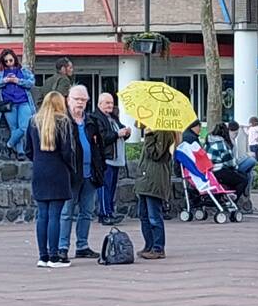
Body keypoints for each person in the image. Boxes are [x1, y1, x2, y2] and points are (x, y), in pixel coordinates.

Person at [24, 91, 74, 268]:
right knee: (55, 215)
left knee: (42, 215)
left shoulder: (33, 122)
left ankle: (42, 256)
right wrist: (70, 168)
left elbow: (27, 149)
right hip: (58, 170)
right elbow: (67, 151)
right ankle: (54, 256)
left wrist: (38, 160)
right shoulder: (63, 122)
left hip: (40, 170)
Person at [58, 85, 104, 262]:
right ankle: (62, 247)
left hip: (90, 174)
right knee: (66, 212)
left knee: (87, 212)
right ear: (68, 99)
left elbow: (98, 146)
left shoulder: (91, 121)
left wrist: (100, 167)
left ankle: (82, 246)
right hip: (70, 174)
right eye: (77, 99)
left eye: (84, 100)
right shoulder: (62, 121)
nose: (80, 103)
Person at [135, 127, 176, 260]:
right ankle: (149, 245)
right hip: (146, 177)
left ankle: (158, 247)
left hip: (155, 178)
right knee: (144, 215)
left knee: (154, 216)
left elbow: (156, 154)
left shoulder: (163, 131)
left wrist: (149, 136)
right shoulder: (154, 130)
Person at [91, 92, 130, 226]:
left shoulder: (113, 118)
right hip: (105, 158)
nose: (110, 106)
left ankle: (110, 211)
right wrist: (117, 134)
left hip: (116, 159)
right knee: (104, 188)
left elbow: (118, 134)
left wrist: (126, 133)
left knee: (112, 187)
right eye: (107, 103)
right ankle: (104, 214)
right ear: (100, 104)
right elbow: (103, 138)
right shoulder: (96, 118)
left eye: (112, 103)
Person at [0, 48, 36, 160]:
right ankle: (20, 152)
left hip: (23, 102)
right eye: (6, 61)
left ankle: (9, 145)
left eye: (11, 60)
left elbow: (31, 82)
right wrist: (4, 81)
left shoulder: (23, 71)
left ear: (15, 59)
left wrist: (17, 81)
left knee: (24, 127)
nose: (9, 63)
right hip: (8, 104)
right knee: (14, 128)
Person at [206, 123, 250, 202]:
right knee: (243, 180)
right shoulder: (221, 144)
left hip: (209, 172)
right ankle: (233, 201)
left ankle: (227, 197)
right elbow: (231, 163)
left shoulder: (208, 143)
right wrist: (236, 167)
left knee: (237, 176)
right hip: (219, 171)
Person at [226, 121, 258, 214]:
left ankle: (246, 191)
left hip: (234, 164)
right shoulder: (228, 142)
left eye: (237, 133)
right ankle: (246, 191)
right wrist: (245, 156)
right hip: (232, 166)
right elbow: (233, 161)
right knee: (252, 160)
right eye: (235, 133)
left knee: (250, 173)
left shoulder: (233, 141)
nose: (235, 135)